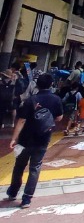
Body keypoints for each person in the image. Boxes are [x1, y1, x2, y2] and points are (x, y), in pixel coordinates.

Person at [3, 74, 63, 208]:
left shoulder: (31, 100)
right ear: (51, 84)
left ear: (37, 85)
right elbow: (59, 118)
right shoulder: (56, 99)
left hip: (25, 139)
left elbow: (22, 120)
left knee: (19, 166)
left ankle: (13, 192)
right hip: (43, 139)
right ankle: (27, 199)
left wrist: (14, 138)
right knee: (35, 168)